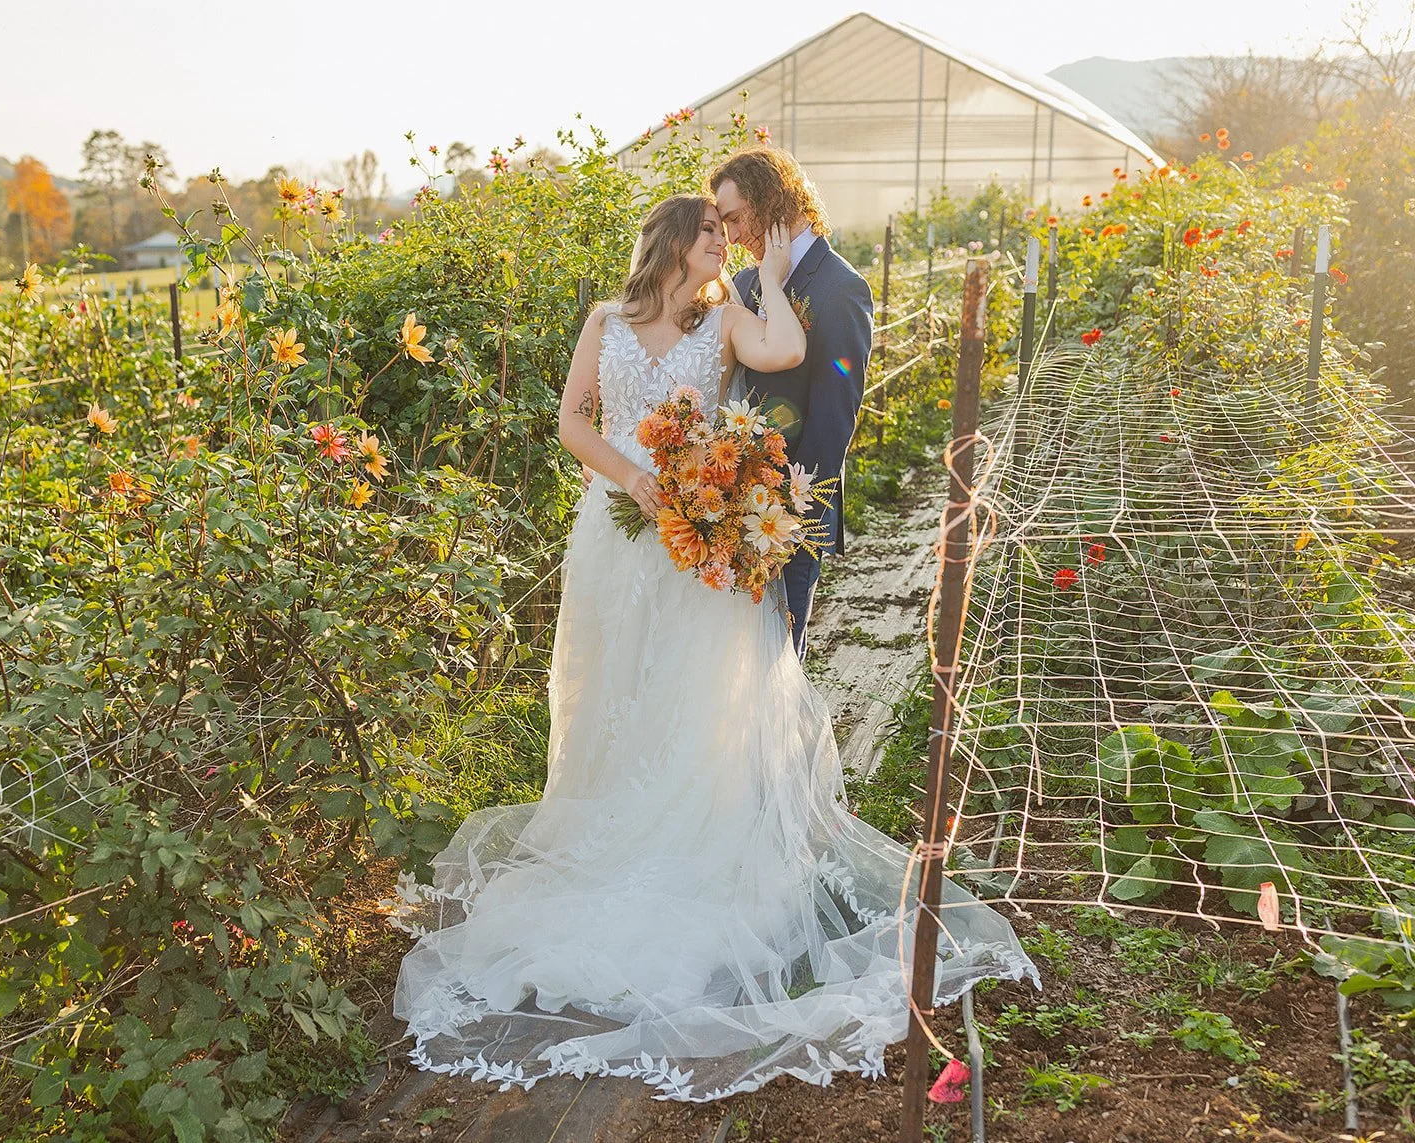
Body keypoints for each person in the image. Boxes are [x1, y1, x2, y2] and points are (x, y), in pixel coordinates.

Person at [385, 194, 1037, 1103]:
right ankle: (606, 824)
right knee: (612, 687)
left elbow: (791, 351)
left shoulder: (728, 316)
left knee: (690, 695)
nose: (720, 242)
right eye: (710, 233)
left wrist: (768, 280)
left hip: (700, 547)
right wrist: (633, 474)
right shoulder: (605, 321)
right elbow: (574, 420)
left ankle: (689, 844)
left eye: (727, 236)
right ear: (672, 242)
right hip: (614, 538)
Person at [711, 147, 874, 660]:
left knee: (777, 660)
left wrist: (788, 514)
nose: (731, 236)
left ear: (770, 198)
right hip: (730, 508)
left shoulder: (840, 289)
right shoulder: (742, 285)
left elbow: (834, 416)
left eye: (735, 218)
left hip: (789, 515)